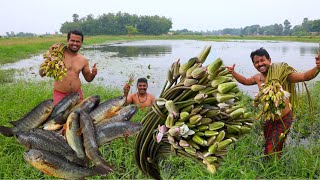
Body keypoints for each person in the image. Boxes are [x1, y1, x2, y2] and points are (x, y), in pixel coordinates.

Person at [226, 47, 320, 157]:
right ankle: (274, 159)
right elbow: (245, 81)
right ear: (253, 65)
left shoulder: (282, 75)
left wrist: (317, 67)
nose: (260, 64)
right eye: (256, 62)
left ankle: (272, 165)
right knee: (270, 143)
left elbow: (305, 76)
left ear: (269, 60)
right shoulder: (257, 78)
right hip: (268, 118)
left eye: (262, 60)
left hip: (283, 119)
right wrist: (233, 73)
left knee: (272, 148)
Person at [39, 30, 97, 105]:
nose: (75, 43)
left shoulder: (83, 60)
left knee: (77, 115)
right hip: (60, 94)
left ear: (81, 43)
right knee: (59, 116)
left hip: (77, 95)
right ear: (67, 40)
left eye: (78, 41)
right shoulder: (57, 55)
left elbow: (88, 79)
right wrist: (50, 58)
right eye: (72, 40)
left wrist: (93, 74)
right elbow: (42, 74)